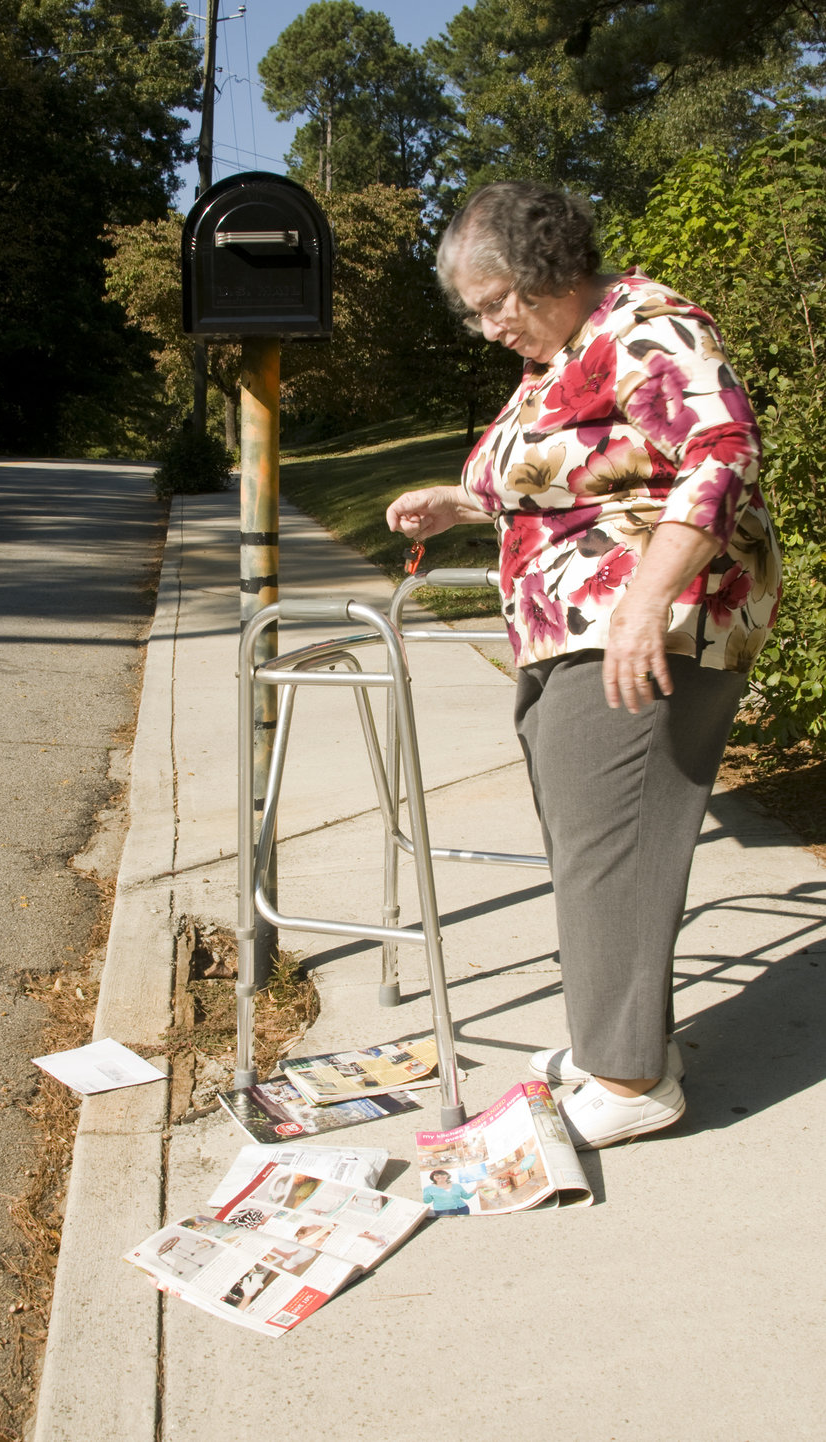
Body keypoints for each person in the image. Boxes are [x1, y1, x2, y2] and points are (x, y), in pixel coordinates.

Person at [386, 181, 781, 1151]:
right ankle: (625, 1040)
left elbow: (723, 451)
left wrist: (645, 599)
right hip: (577, 622)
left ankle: (628, 1077)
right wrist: (464, 499)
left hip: (646, 621)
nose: (486, 329)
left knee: (612, 842)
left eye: (493, 305)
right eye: (473, 311)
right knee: (593, 835)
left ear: (548, 271)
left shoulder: (646, 325)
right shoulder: (565, 351)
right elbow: (583, 472)